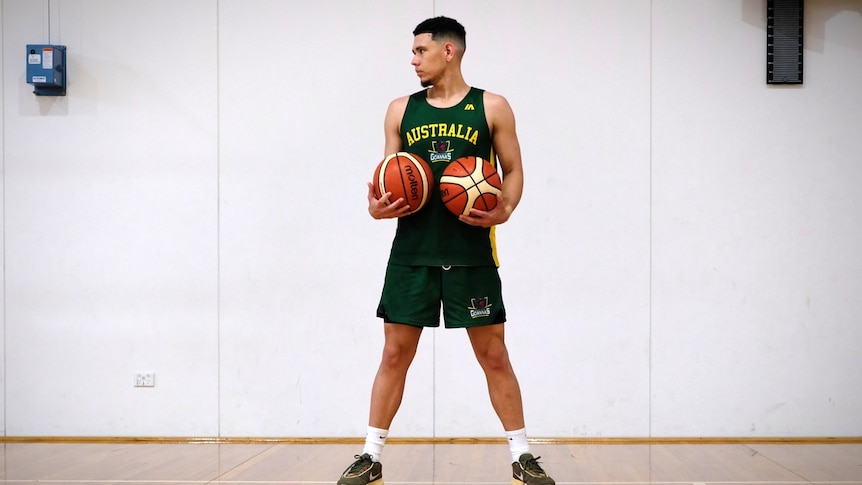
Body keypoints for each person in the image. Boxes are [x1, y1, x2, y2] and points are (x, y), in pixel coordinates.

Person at [337, 16, 555, 485]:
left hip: (471, 252)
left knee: (493, 354)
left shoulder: (491, 106)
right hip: (411, 252)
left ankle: (522, 454)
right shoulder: (400, 109)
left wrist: (506, 209)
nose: (413, 59)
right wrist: (376, 207)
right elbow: (387, 173)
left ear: (448, 51)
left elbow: (513, 169)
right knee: (395, 354)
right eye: (413, 52)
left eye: (420, 51)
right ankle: (370, 455)